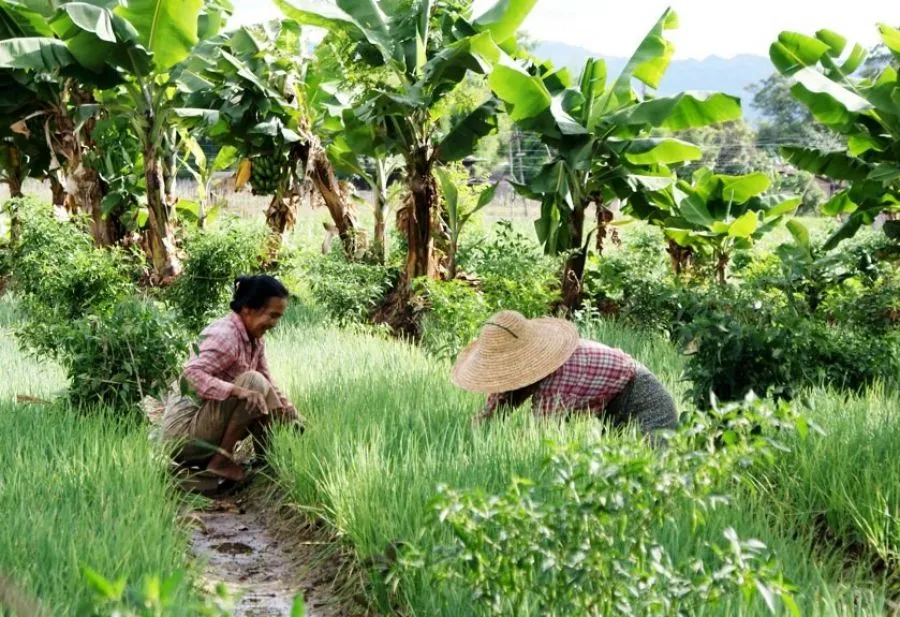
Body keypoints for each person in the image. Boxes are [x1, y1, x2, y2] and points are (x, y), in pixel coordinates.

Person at [161, 275, 303, 482]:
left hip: (206, 432)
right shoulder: (225, 335)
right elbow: (190, 374)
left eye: (278, 317)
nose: (274, 323)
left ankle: (268, 460)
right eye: (272, 316)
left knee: (259, 386)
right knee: (252, 383)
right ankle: (221, 461)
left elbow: (268, 383)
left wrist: (293, 415)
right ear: (248, 309)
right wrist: (237, 390)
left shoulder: (254, 340)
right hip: (183, 437)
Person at [451, 310, 678, 437]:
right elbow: (500, 402)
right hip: (612, 405)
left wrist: (502, 450)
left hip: (645, 400)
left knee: (654, 474)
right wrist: (467, 435)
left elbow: (541, 434)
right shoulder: (533, 368)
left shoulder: (558, 375)